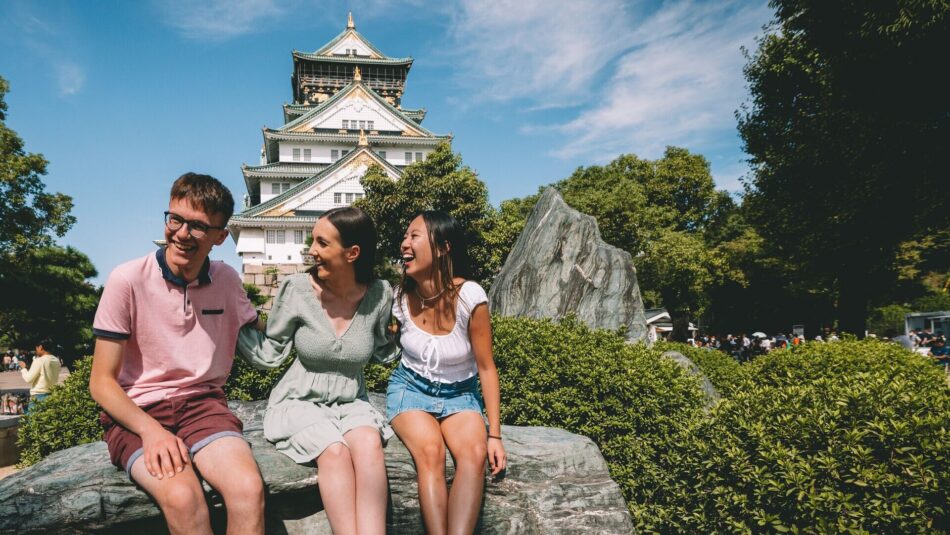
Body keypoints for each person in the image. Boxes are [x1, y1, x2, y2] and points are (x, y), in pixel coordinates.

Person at [89, 173, 265, 535]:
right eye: (176, 219)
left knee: (248, 490)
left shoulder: (227, 280)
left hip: (203, 405)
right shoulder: (127, 280)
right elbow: (101, 383)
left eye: (198, 226)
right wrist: (151, 431)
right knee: (183, 497)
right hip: (137, 412)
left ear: (220, 237)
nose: (182, 234)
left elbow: (267, 332)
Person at [238, 206, 398, 534]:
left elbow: (385, 348)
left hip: (352, 401)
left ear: (352, 253)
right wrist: (229, 324)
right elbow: (272, 351)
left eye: (322, 243)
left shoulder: (380, 294)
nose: (311, 250)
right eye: (313, 241)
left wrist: (420, 328)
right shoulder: (297, 289)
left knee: (368, 444)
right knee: (335, 451)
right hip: (299, 400)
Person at [387, 211, 507, 534]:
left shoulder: (470, 297)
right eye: (405, 236)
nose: (404, 244)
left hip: (460, 395)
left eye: (414, 236)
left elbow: (486, 367)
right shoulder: (400, 297)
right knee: (431, 451)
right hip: (409, 389)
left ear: (442, 247)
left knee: (474, 453)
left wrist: (494, 434)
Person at [18, 338, 61, 413]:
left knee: (33, 422)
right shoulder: (56, 360)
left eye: (36, 348)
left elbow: (28, 379)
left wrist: (23, 368)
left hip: (38, 396)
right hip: (52, 395)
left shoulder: (39, 360)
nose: (36, 351)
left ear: (40, 347)